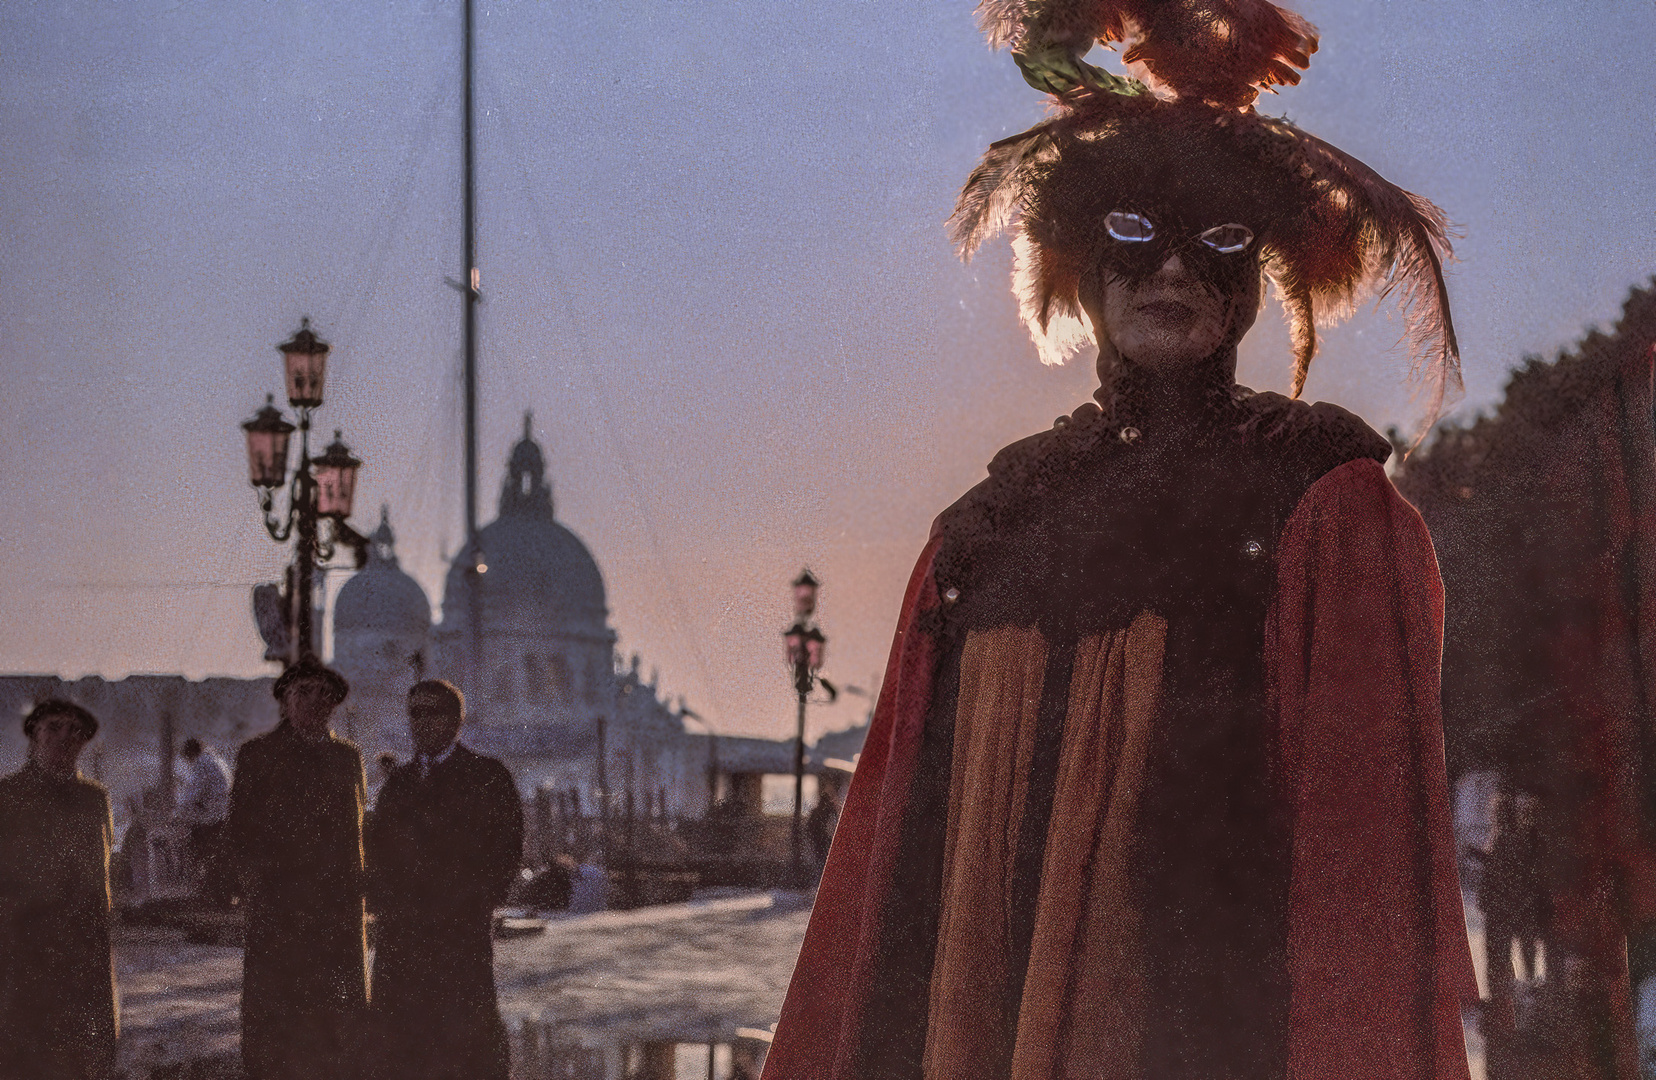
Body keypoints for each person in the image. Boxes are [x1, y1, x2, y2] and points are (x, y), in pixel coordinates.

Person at [761, 3, 1475, 1078]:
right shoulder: (986, 530)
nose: (1174, 275)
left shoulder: (1322, 499)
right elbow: (881, 900)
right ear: (1086, 269)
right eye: (1136, 238)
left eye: (1216, 247)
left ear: (1249, 289)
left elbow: (1359, 886)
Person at [366, 679, 522, 1080]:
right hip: (402, 938)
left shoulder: (487, 777)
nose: (420, 723)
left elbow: (506, 852)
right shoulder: (397, 785)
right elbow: (378, 852)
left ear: (455, 720)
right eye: (414, 713)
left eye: (431, 713)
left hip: (458, 936)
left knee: (463, 1045)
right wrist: (385, 905)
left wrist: (474, 903)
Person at [224, 660, 367, 1080]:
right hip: (280, 914)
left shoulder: (347, 758)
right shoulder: (258, 756)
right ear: (284, 702)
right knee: (278, 1027)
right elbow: (240, 835)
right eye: (303, 692)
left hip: (337, 915)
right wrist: (263, 891)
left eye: (324, 694)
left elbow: (354, 835)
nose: (314, 702)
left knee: (336, 1028)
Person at [0, 699, 117, 1080]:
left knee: (83, 1057)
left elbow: (101, 878)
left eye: (74, 732)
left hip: (83, 949)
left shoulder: (94, 799)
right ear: (35, 736)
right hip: (23, 948)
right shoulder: (9, 797)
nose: (64, 738)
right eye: (53, 729)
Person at [176, 736, 232, 903]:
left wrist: (178, 814)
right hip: (223, 815)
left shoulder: (202, 764)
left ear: (190, 754)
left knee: (200, 853)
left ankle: (206, 893)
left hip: (211, 818)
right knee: (217, 856)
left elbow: (192, 795)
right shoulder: (216, 760)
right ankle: (219, 893)